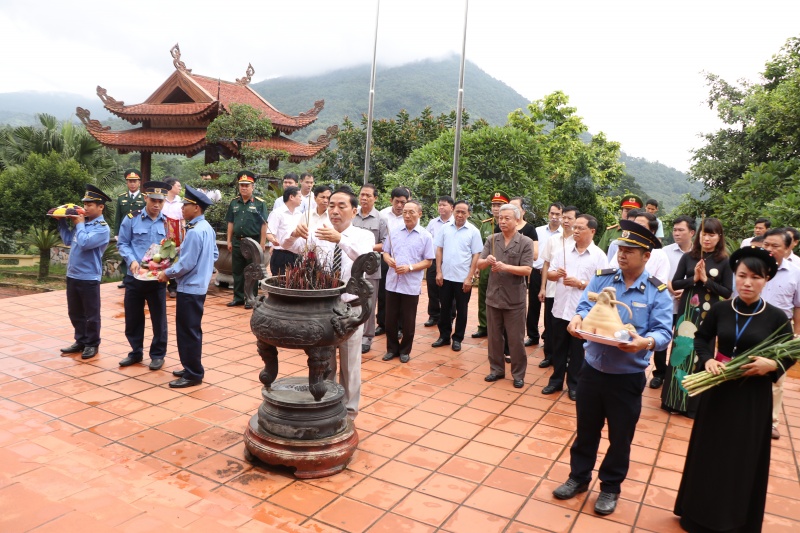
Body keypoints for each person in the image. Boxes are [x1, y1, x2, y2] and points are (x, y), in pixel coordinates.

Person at [553, 219, 672, 516]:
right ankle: (578, 478)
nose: (622, 253)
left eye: (630, 250)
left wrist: (643, 342)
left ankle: (610, 488)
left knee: (620, 437)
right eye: (621, 248)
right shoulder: (603, 278)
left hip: (627, 376)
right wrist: (578, 320)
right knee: (586, 430)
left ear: (646, 256)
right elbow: (583, 307)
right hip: (592, 370)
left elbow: (663, 333)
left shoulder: (657, 291)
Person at [674, 246, 795, 533]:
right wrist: (707, 361)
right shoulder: (721, 309)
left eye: (755, 277)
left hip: (752, 398)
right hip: (718, 392)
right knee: (710, 452)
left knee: (741, 457)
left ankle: (733, 520)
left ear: (766, 280)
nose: (747, 282)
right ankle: (697, 514)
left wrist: (772, 365)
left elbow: (789, 354)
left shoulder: (777, 318)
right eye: (742, 275)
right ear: (736, 277)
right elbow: (702, 339)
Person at [283, 188, 375, 418]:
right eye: (331, 205)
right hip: (323, 308)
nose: (334, 210)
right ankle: (325, 403)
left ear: (354, 211)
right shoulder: (317, 232)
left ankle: (349, 411)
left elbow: (365, 260)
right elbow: (288, 246)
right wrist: (294, 234)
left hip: (350, 310)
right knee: (324, 361)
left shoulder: (364, 235)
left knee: (350, 364)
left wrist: (340, 240)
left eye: (341, 206)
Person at [662, 217, 732, 418]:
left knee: (702, 353)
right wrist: (693, 279)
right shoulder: (688, 257)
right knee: (681, 352)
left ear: (719, 237)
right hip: (687, 311)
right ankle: (672, 400)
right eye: (704, 233)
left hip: (710, 314)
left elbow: (727, 292)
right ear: (698, 235)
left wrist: (706, 281)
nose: (707, 238)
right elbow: (675, 284)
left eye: (711, 234)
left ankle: (692, 405)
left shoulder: (724, 261)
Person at [157, 186, 219, 388]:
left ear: (197, 208)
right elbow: (215, 254)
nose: (183, 208)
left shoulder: (194, 231)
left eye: (187, 205)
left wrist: (166, 273)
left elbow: (186, 264)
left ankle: (193, 373)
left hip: (190, 288)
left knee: (188, 331)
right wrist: (205, 269)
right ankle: (190, 366)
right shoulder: (206, 228)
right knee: (190, 329)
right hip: (197, 286)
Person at [543, 214, 607, 400]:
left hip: (582, 312)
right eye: (575, 227)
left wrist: (580, 283)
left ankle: (574, 384)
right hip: (560, 307)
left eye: (581, 228)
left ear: (592, 231)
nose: (575, 231)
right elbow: (550, 274)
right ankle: (555, 381)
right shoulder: (563, 250)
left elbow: (603, 287)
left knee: (578, 351)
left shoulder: (599, 256)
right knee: (558, 347)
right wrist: (556, 275)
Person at [478, 203, 535, 388]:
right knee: (494, 337)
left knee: (516, 339)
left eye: (507, 218)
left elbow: (527, 269)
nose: (502, 221)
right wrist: (486, 261)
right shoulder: (492, 239)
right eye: (500, 218)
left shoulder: (525, 242)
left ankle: (518, 374)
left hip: (514, 299)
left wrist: (505, 267)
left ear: (517, 220)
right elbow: (479, 264)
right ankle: (496, 369)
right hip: (494, 296)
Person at [116, 181, 170, 371]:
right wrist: (131, 260)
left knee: (159, 318)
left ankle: (157, 354)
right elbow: (123, 243)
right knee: (133, 316)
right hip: (135, 276)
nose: (156, 205)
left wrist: (167, 266)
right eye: (153, 200)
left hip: (157, 278)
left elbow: (174, 248)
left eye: (160, 202)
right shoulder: (131, 218)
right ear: (145, 198)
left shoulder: (168, 222)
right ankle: (135, 351)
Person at [58, 184, 111, 360]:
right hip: (72, 275)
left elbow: (85, 243)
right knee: (74, 312)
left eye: (90, 204)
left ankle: (92, 344)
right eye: (85, 203)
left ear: (100, 207)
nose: (85, 207)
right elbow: (68, 240)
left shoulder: (102, 228)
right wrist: (62, 222)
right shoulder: (83, 223)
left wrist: (79, 225)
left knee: (91, 314)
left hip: (89, 277)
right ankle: (80, 340)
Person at [759, 228, 800, 440]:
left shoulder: (796, 273)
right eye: (766, 245)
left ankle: (772, 421)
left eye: (775, 246)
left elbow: (798, 306)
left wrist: (796, 335)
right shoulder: (752, 268)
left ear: (787, 249)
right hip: (751, 329)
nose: (769, 249)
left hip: (779, 334)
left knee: (776, 380)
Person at [382, 200, 434, 363]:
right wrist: (388, 259)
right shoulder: (394, 232)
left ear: (420, 214)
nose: (407, 215)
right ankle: (391, 349)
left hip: (410, 284)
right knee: (389, 319)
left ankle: (405, 350)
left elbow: (428, 261)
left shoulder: (425, 236)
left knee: (408, 321)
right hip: (392, 282)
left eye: (411, 212)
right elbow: (385, 252)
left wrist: (410, 268)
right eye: (405, 212)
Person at [650, 215, 696, 389]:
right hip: (666, 304)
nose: (676, 233)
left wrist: (686, 291)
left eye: (680, 230)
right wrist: (672, 288)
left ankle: (678, 374)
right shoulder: (664, 252)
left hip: (689, 305)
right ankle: (660, 373)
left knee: (684, 341)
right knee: (662, 340)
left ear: (691, 232)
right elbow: (657, 276)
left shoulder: (698, 254)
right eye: (674, 230)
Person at [431, 200, 483, 352]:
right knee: (445, 308)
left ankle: (457, 338)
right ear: (453, 211)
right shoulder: (445, 228)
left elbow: (476, 255)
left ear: (469, 213)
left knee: (462, 309)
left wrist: (470, 277)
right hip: (445, 276)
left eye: (463, 212)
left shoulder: (473, 231)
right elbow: (439, 249)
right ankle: (444, 336)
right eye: (457, 212)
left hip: (463, 278)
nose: (460, 215)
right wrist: (439, 271)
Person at [225, 170, 268, 309]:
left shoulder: (260, 204)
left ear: (253, 187)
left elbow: (263, 224)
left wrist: (262, 243)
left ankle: (251, 298)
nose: (244, 187)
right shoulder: (234, 203)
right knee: (237, 271)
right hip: (238, 241)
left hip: (253, 242)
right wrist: (229, 240)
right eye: (241, 185)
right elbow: (230, 223)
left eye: (247, 185)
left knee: (252, 271)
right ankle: (237, 297)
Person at [352, 183, 387, 353]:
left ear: (375, 198)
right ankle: (351, 332)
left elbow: (386, 243)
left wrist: (367, 247)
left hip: (371, 267)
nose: (364, 198)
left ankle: (367, 337)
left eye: (368, 195)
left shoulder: (381, 219)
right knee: (350, 299)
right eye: (362, 195)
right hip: (352, 265)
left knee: (369, 303)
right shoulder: (353, 215)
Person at [536, 203, 569, 366]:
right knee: (549, 323)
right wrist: (542, 287)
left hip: (568, 290)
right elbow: (546, 264)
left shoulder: (576, 241)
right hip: (551, 288)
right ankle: (548, 355)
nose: (564, 220)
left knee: (564, 324)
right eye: (553, 214)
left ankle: (564, 356)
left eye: (567, 217)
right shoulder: (553, 239)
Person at [473, 191, 508, 339]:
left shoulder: (511, 225)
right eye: (494, 205)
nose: (495, 208)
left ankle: (501, 328)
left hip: (504, 268)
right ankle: (483, 326)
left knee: (503, 298)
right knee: (483, 296)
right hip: (487, 266)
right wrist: (476, 267)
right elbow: (479, 248)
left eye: (499, 205)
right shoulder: (486, 225)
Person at [376, 187, 410, 336]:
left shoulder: (410, 215)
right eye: (397, 202)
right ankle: (382, 324)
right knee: (383, 293)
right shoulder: (382, 215)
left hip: (404, 260)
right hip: (385, 258)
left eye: (403, 202)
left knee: (403, 294)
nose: (400, 206)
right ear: (391, 200)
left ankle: (400, 327)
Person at [424, 196, 454, 327]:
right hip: (434, 259)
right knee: (432, 288)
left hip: (449, 261)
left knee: (449, 289)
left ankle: (450, 316)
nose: (441, 207)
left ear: (451, 208)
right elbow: (426, 239)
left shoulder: (455, 222)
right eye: (439, 205)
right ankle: (434, 315)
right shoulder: (433, 222)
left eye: (444, 205)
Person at [114, 168, 146, 288]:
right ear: (127, 183)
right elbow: (118, 216)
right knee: (125, 254)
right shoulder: (121, 198)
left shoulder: (144, 198)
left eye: (135, 181)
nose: (132, 183)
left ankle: (139, 275)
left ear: (139, 183)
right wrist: (116, 232)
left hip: (139, 230)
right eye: (130, 181)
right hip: (125, 230)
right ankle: (126, 278)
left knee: (138, 253)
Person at [270, 185, 303, 276]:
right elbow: (269, 233)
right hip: (281, 254)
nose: (301, 199)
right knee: (280, 283)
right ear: (291, 197)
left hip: (296, 255)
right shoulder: (277, 213)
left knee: (294, 284)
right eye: (299, 196)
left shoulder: (300, 215)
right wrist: (273, 240)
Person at [161, 176, 183, 298]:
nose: (180, 188)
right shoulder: (161, 201)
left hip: (175, 236)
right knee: (161, 259)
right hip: (161, 235)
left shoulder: (180, 202)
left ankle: (173, 287)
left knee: (174, 261)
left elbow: (183, 220)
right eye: (178, 186)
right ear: (170, 187)